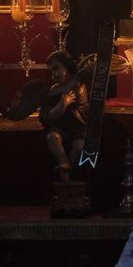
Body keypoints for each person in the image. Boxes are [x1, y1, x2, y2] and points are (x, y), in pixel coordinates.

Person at [39, 51, 89, 181]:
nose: (54, 75)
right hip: (61, 128)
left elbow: (75, 91)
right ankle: (63, 163)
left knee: (79, 146)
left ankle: (70, 174)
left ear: (67, 66)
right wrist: (63, 103)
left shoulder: (78, 85)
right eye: (51, 71)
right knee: (53, 137)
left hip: (78, 129)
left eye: (56, 68)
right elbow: (48, 117)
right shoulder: (53, 91)